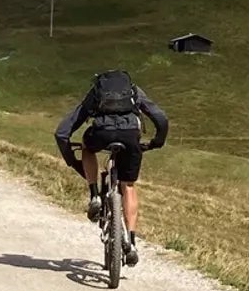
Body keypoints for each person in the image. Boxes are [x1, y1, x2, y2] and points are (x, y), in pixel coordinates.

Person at [53, 70, 168, 263]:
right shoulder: (134, 91)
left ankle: (94, 195)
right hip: (130, 136)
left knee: (87, 148)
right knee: (128, 186)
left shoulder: (96, 93)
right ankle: (131, 242)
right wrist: (156, 142)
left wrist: (72, 160)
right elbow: (161, 118)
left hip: (102, 134)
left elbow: (64, 131)